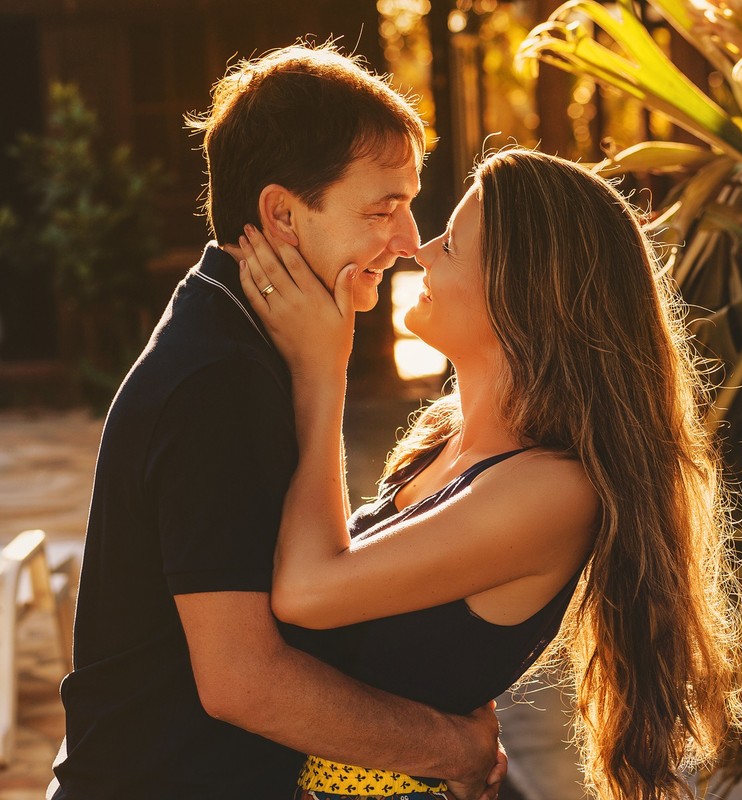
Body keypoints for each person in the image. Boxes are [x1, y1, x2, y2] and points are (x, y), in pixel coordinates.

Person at [231, 147, 742, 800]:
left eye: (451, 245)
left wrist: (322, 368)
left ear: (520, 292)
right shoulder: (439, 441)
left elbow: (308, 591)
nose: (420, 253)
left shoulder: (550, 490)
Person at [50, 44, 504, 800]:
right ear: (282, 215)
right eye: (381, 208)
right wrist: (449, 748)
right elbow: (241, 679)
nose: (408, 241)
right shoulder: (217, 380)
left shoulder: (247, 339)